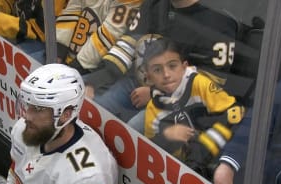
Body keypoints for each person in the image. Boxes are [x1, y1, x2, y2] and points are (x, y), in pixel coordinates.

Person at [86, 0, 238, 130]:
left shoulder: (219, 23)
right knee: (94, 108)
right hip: (138, 84)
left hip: (182, 102)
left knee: (133, 130)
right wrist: (94, 81)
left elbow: (213, 82)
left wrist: (154, 93)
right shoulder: (154, 4)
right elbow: (127, 47)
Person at [142, 38, 244, 178]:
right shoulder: (153, 109)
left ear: (184, 67)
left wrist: (201, 150)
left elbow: (235, 113)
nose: (166, 74)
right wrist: (167, 136)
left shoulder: (199, 84)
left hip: (215, 162)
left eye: (172, 66)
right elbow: (151, 151)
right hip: (179, 171)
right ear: (148, 77)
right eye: (157, 70)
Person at [55, 0, 143, 74]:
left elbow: (108, 35)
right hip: (64, 57)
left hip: (91, 70)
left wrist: (74, 68)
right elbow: (72, 10)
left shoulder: (132, 2)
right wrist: (58, 52)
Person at [0, 0, 68, 43]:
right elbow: (12, 3)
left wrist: (5, 23)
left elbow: (43, 32)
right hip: (16, 25)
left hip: (40, 42)